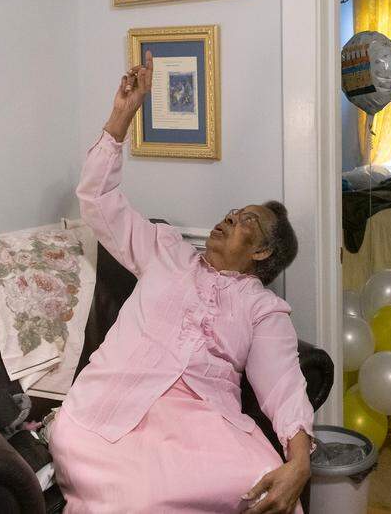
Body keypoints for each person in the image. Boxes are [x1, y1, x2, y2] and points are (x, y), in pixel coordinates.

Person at [49, 53, 312, 513]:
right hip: (110, 409)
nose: (231, 216)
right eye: (234, 210)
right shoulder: (164, 250)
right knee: (137, 497)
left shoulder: (262, 310)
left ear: (262, 253)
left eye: (247, 220)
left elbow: (284, 384)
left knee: (263, 486)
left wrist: (300, 460)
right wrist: (121, 117)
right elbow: (97, 199)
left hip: (201, 424)